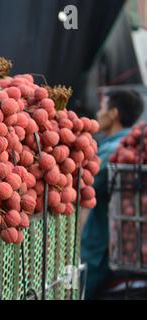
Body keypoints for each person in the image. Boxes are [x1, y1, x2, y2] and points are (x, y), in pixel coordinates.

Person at [81, 89, 145, 299]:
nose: (98, 113)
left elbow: (81, 186)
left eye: (102, 108)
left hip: (102, 250)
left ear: (114, 113)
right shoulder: (127, 146)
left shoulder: (113, 151)